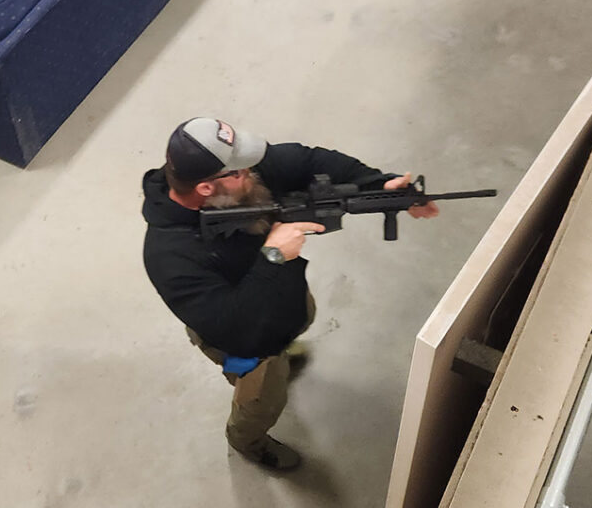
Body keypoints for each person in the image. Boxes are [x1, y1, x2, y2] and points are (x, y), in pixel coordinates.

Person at [141, 117, 439, 470]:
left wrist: (378, 185)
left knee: (301, 319)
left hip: (282, 296)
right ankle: (247, 441)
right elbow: (234, 329)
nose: (252, 171)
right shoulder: (169, 257)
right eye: (240, 170)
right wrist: (274, 256)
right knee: (262, 400)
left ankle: (283, 351)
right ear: (206, 188)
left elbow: (308, 160)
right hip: (243, 342)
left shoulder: (238, 178)